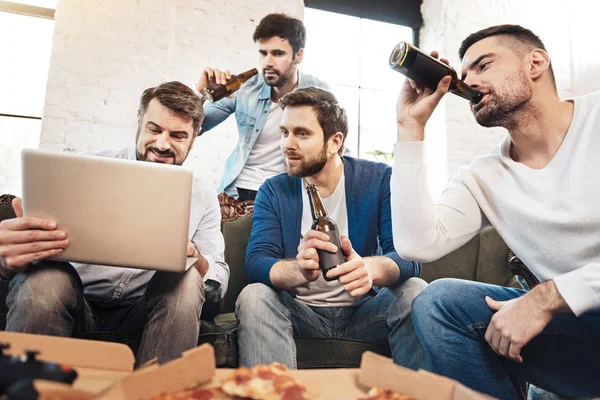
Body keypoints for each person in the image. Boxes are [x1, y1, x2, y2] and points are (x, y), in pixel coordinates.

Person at [391, 24, 600, 399]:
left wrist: (546, 297)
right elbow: (415, 244)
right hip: (582, 335)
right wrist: (410, 128)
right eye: (463, 73)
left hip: (572, 306)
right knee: (439, 303)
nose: (467, 83)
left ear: (535, 62)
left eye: (483, 65)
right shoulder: (484, 176)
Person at [0, 81, 229, 367]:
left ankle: (159, 394)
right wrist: (8, 258)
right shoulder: (79, 171)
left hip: (144, 312)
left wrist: (199, 261)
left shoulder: (203, 196)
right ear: (139, 120)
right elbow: (14, 260)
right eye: (154, 129)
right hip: (72, 300)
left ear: (195, 136)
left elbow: (216, 281)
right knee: (44, 279)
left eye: (178, 135)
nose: (162, 144)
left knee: (188, 277)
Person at [235, 86, 427, 369]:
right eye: (284, 132)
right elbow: (257, 263)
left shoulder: (378, 179)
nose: (287, 144)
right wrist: (298, 270)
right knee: (253, 296)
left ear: (335, 141)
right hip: (302, 314)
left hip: (365, 313)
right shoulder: (273, 191)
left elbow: (409, 259)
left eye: (302, 133)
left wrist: (370, 269)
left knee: (415, 290)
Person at [195, 13, 329, 201]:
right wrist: (201, 96)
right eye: (263, 53)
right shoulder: (245, 88)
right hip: (238, 192)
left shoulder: (318, 92)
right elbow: (194, 127)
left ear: (298, 55)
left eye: (278, 53)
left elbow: (335, 147)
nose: (268, 62)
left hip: (287, 193)